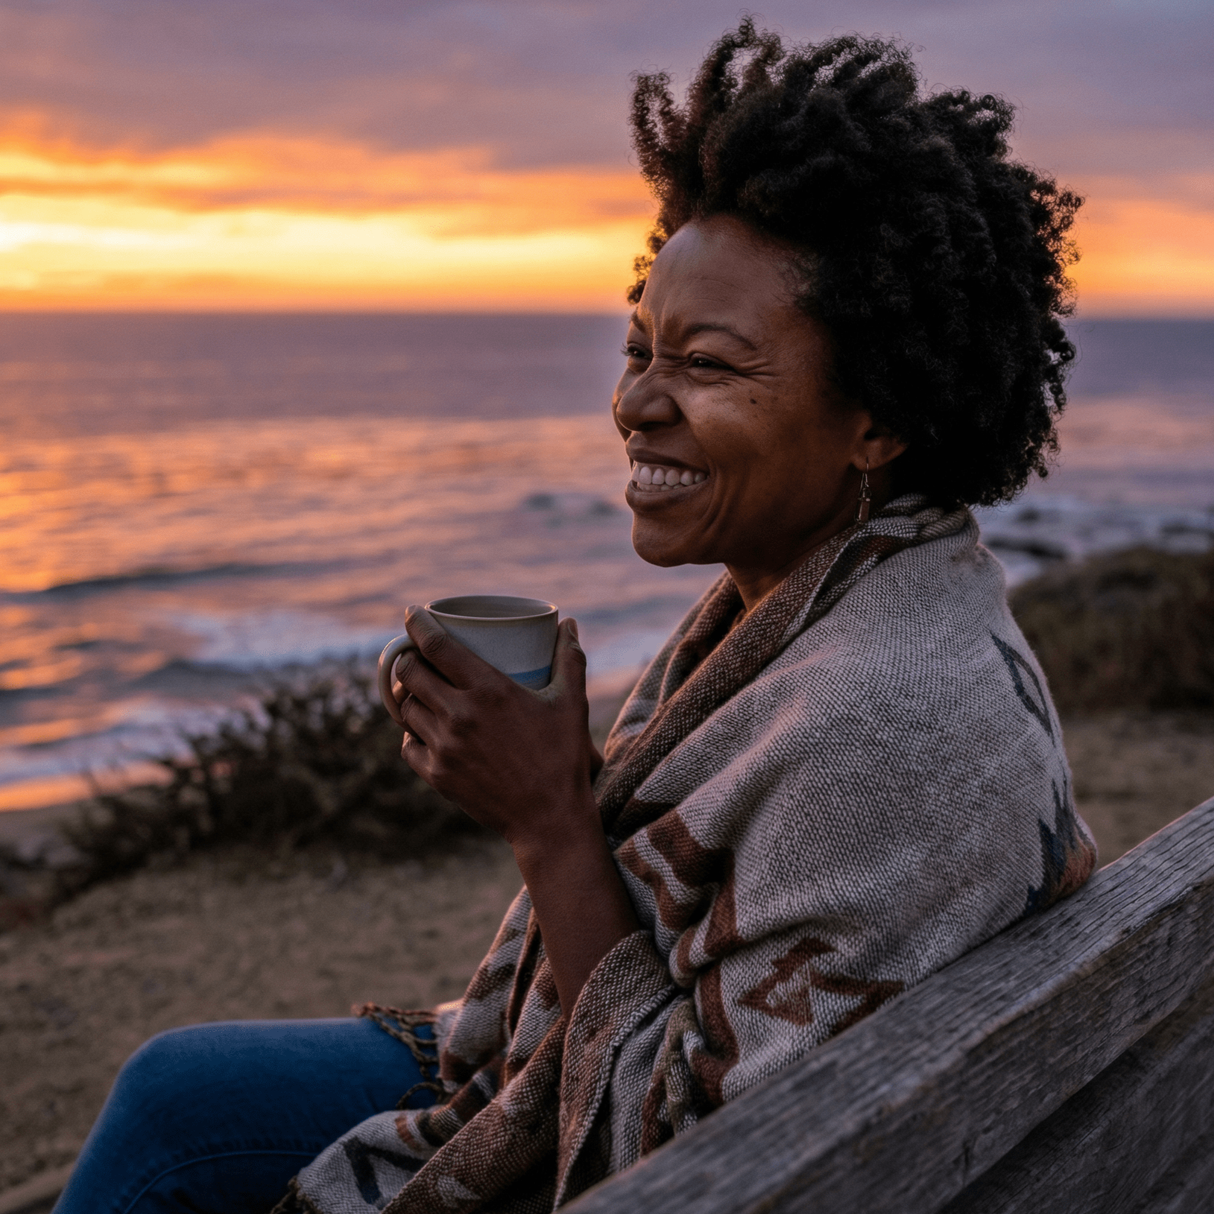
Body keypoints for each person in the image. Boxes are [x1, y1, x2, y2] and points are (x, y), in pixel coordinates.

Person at [55, 22, 1097, 1214]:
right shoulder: (855, 586)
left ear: (879, 415)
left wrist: (547, 811)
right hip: (552, 1051)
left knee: (168, 1123)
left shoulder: (886, 725)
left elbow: (689, 1160)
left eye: (706, 365)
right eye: (637, 348)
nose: (634, 404)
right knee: (176, 1094)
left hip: (631, 1142)